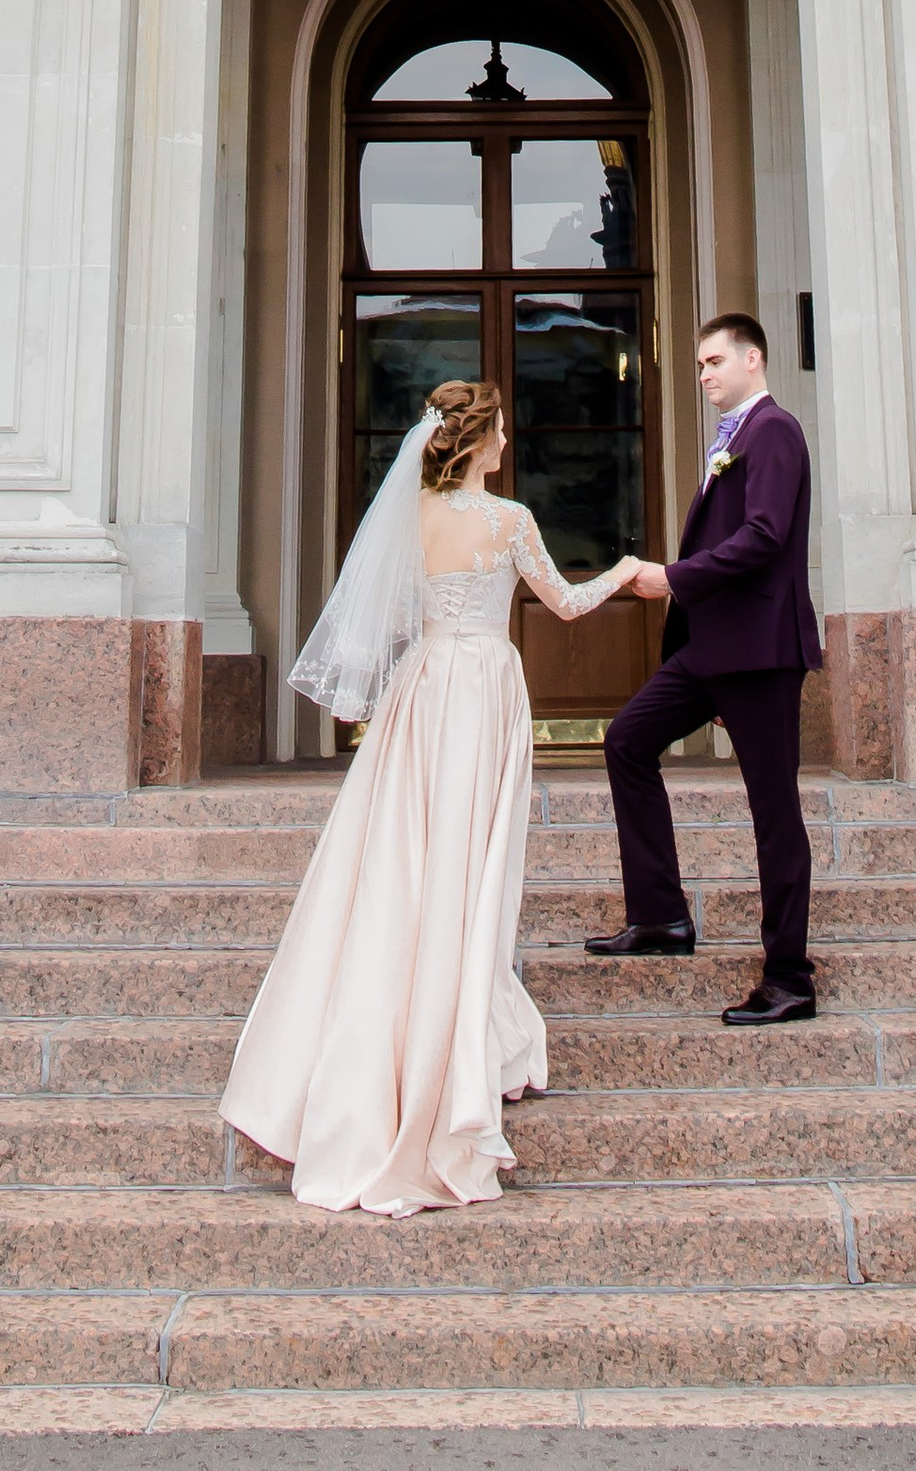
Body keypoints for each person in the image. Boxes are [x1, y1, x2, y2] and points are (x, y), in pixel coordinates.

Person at [220, 378, 637, 1213]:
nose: (508, 442)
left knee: (403, 853)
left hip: (423, 689)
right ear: (478, 441)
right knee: (470, 855)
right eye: (501, 431)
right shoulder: (511, 520)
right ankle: (455, 1026)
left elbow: (386, 621)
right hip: (481, 687)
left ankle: (404, 1020)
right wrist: (625, 569)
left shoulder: (406, 517)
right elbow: (564, 603)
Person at [592, 310, 821, 1023]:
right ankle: (660, 915)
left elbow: (765, 536)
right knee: (627, 740)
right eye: (698, 365)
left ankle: (789, 978)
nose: (703, 375)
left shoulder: (774, 430)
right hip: (714, 650)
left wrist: (673, 577)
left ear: (753, 359)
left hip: (761, 653)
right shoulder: (734, 437)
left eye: (714, 361)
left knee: (774, 811)